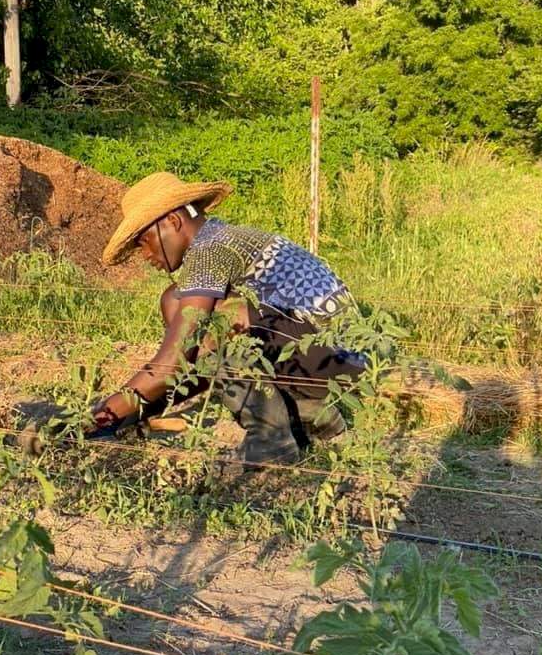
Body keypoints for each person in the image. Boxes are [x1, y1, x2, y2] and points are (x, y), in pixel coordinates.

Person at [92, 171, 365, 465]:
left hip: (335, 359)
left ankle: (271, 438)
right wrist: (137, 411)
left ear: (172, 221)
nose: (144, 254)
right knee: (177, 300)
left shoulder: (209, 251)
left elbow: (172, 364)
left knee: (211, 322)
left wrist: (98, 418)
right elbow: (198, 368)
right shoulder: (218, 237)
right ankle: (312, 415)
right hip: (332, 359)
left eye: (144, 241)